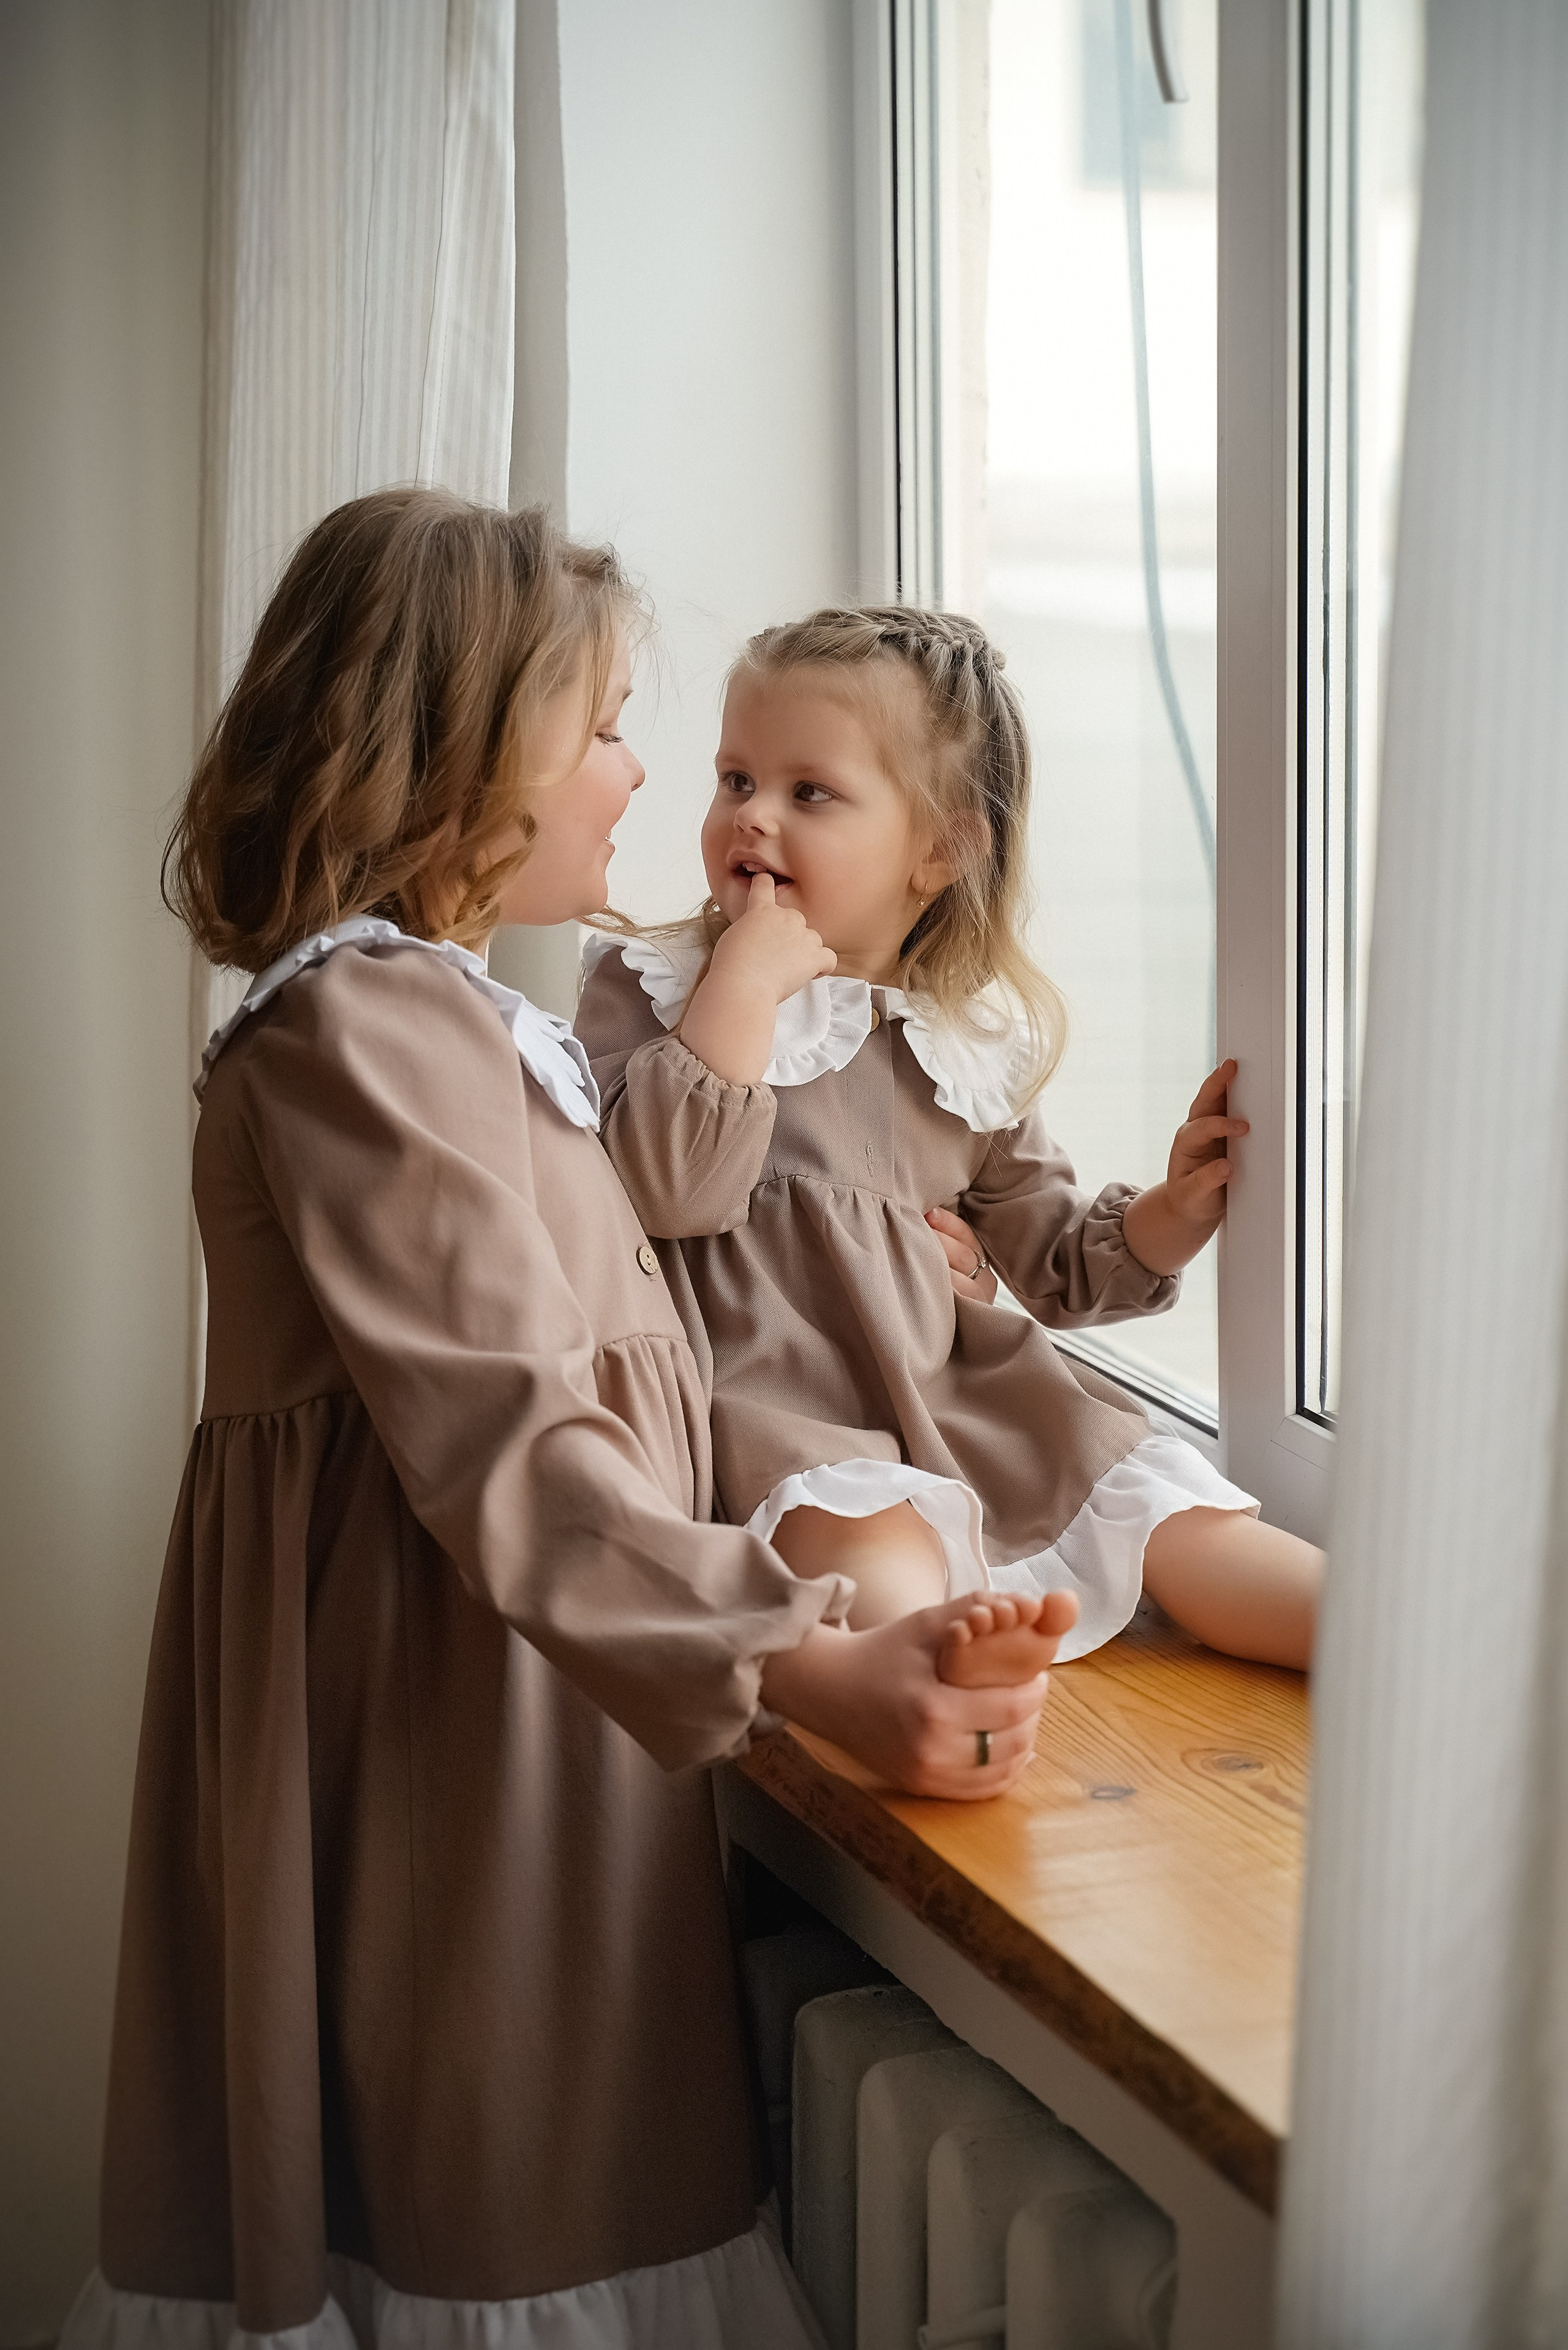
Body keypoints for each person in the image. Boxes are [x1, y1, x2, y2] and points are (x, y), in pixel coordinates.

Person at [62, 503, 1066, 2350]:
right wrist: (808, 1659)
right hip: (460, 1726)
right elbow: (514, 1440)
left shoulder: (463, 1024)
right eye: (606, 723)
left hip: (558, 1685)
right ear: (459, 751)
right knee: (489, 2183)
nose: (638, 776)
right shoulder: (354, 1032)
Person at [575, 605, 1323, 1677]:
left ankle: (1409, 1639)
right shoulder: (655, 992)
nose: (752, 818)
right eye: (736, 780)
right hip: (785, 1414)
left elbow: (1057, 1263)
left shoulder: (957, 1043)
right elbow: (663, 1192)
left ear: (941, 849)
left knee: (1161, 1504)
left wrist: (1167, 1214)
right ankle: (945, 1678)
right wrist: (740, 984)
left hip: (969, 1401)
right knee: (876, 1555)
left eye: (809, 792)